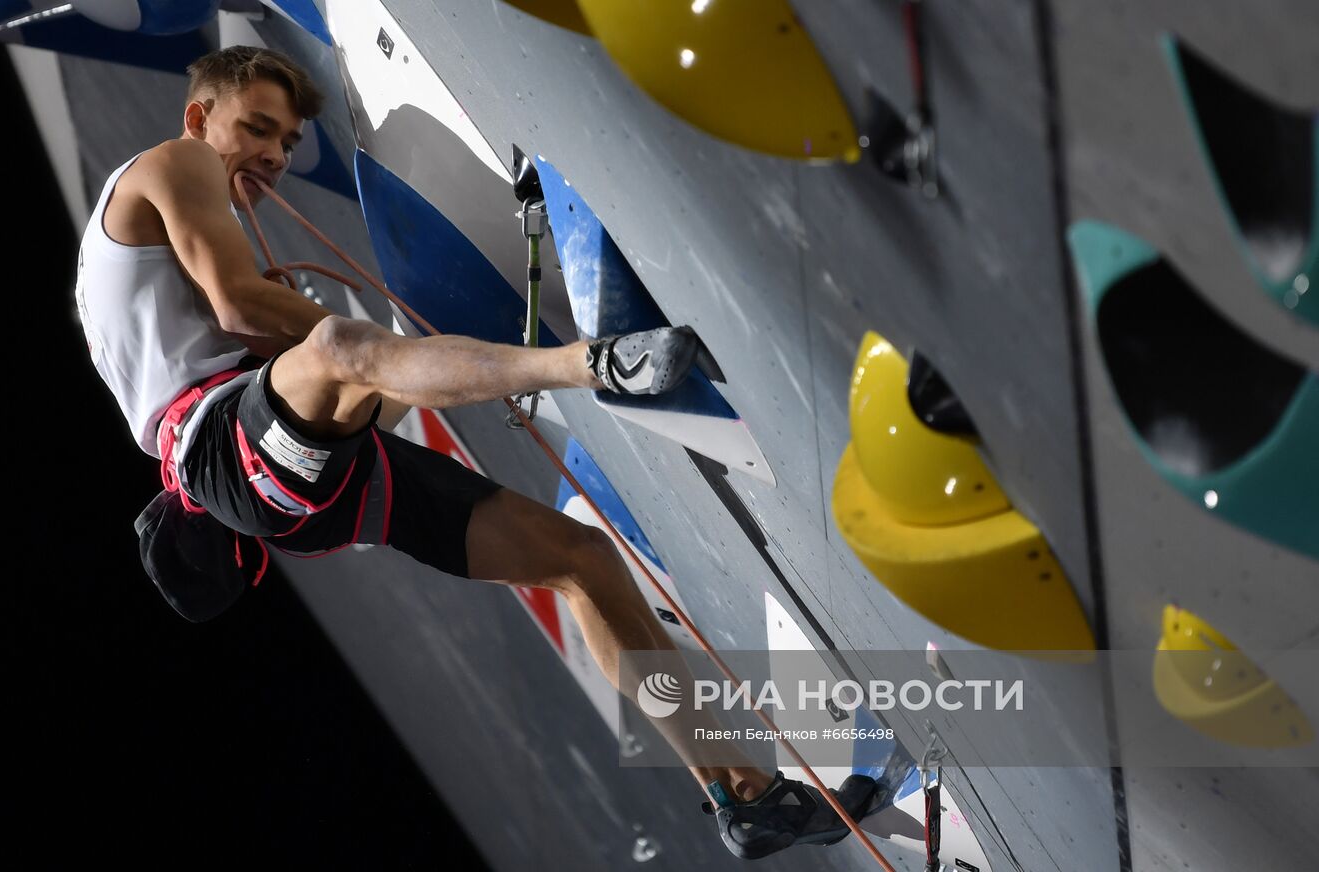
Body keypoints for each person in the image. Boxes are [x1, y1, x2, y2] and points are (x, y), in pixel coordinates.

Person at [73, 44, 876, 860]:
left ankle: (744, 797)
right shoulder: (175, 163)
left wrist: (390, 360)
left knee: (584, 561)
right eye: (257, 129)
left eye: (285, 142)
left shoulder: (137, 246)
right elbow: (241, 306)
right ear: (198, 117)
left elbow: (285, 358)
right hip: (226, 454)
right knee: (347, 346)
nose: (275, 156)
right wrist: (344, 343)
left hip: (286, 473)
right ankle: (596, 365)